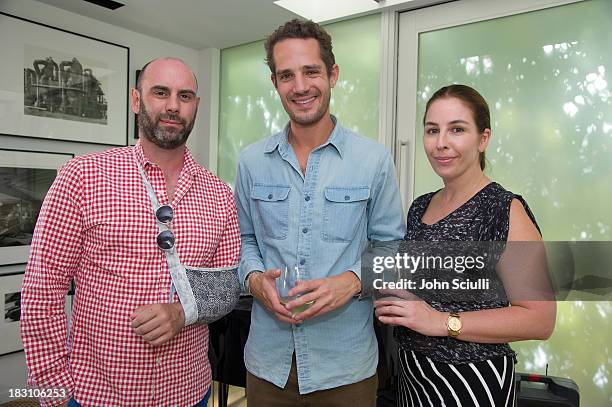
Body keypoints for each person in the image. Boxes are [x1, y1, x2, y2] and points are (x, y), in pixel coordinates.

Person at [20, 57, 240, 407]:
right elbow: (41, 289)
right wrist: (55, 392)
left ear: (195, 106)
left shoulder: (218, 192)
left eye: (185, 96)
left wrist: (183, 313)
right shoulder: (83, 177)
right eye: (160, 92)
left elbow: (227, 286)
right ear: (136, 100)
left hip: (188, 393)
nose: (172, 105)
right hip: (96, 394)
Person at [234, 19, 405, 406]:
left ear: (333, 74)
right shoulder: (250, 162)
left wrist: (350, 281)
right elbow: (244, 240)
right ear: (274, 82)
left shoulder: (373, 160)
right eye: (286, 75)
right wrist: (256, 280)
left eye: (311, 71)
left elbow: (392, 249)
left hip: (346, 370)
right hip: (267, 367)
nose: (300, 86)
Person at [374, 84, 556, 406]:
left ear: (483, 138)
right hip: (412, 377)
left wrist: (441, 322)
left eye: (456, 129)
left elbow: (540, 319)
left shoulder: (503, 209)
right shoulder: (419, 207)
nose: (441, 143)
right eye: (432, 131)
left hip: (472, 382)